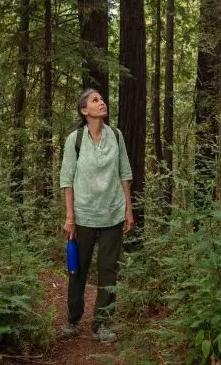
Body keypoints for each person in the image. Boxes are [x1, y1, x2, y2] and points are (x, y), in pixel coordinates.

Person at [58, 88, 134, 343]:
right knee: (78, 270)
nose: (102, 103)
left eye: (102, 99)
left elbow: (124, 172)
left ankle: (102, 323)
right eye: (95, 100)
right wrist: (70, 218)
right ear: (84, 110)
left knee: (108, 270)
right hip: (83, 215)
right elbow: (67, 180)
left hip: (113, 212)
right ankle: (72, 319)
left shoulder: (116, 135)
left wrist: (128, 209)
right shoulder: (75, 139)